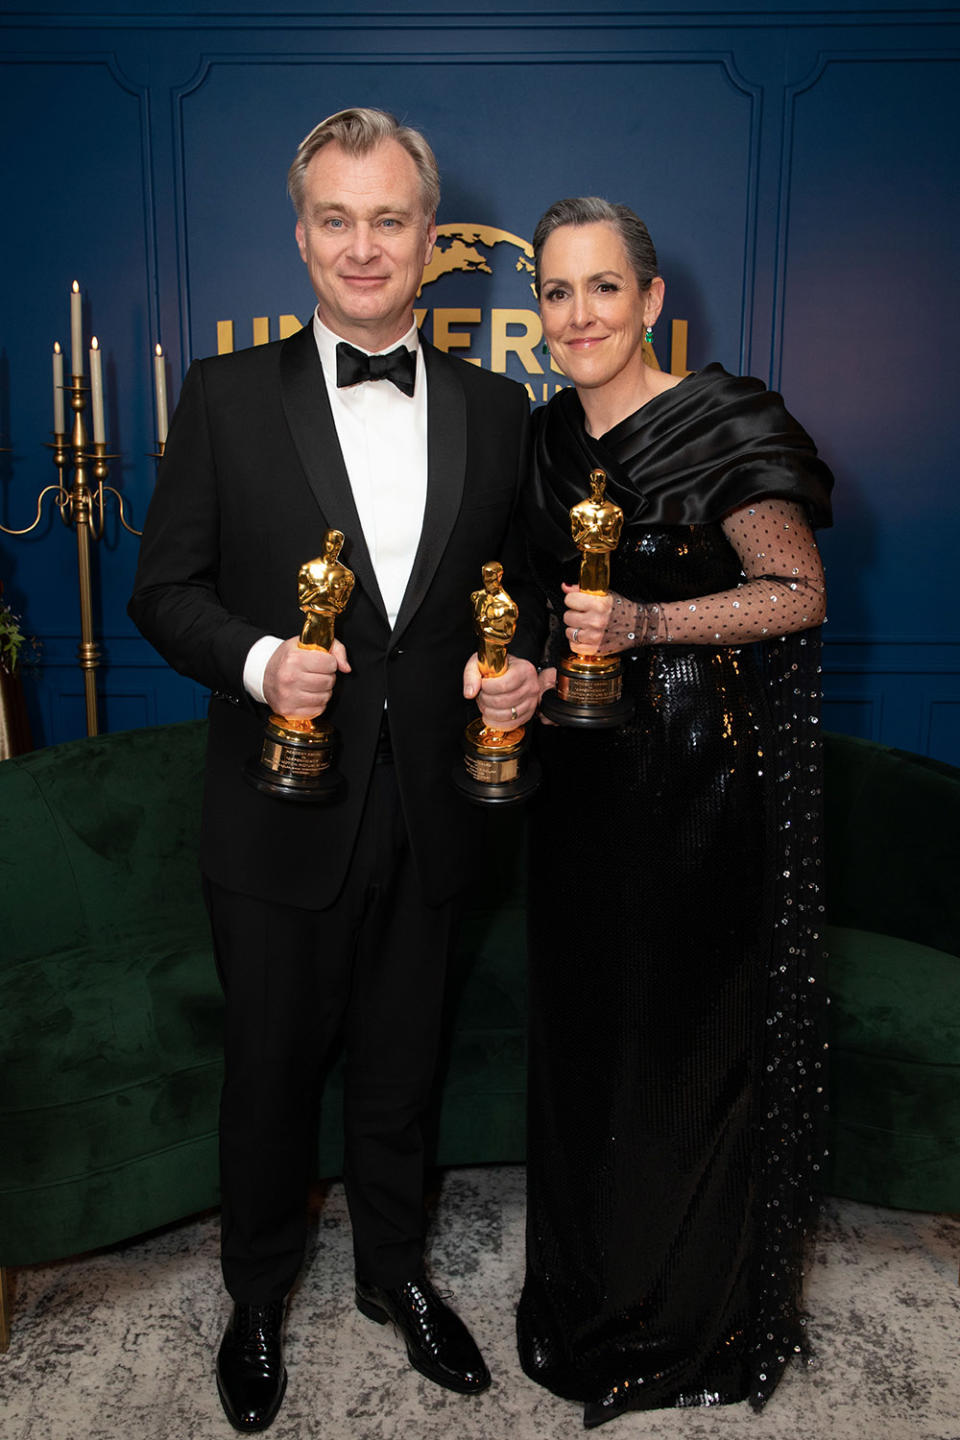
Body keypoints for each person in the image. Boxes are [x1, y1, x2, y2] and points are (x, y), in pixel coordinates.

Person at [129, 107, 540, 1434]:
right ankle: (256, 1295)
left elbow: (512, 593)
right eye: (335, 218)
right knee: (269, 1068)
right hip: (277, 808)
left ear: (433, 235)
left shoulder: (497, 404)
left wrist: (519, 666)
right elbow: (161, 591)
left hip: (436, 808)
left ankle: (394, 1276)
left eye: (391, 218)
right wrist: (258, 663)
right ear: (300, 234)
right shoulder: (222, 394)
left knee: (404, 1062)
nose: (364, 246)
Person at [516, 196, 833, 1428]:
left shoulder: (726, 419)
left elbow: (794, 593)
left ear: (651, 300)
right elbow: (550, 615)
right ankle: (589, 1295)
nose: (578, 315)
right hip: (579, 785)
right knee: (585, 1050)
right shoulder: (546, 445)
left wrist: (650, 624)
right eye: (556, 292)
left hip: (703, 783)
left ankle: (685, 1314)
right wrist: (529, 674)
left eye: (604, 288)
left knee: (682, 1057)